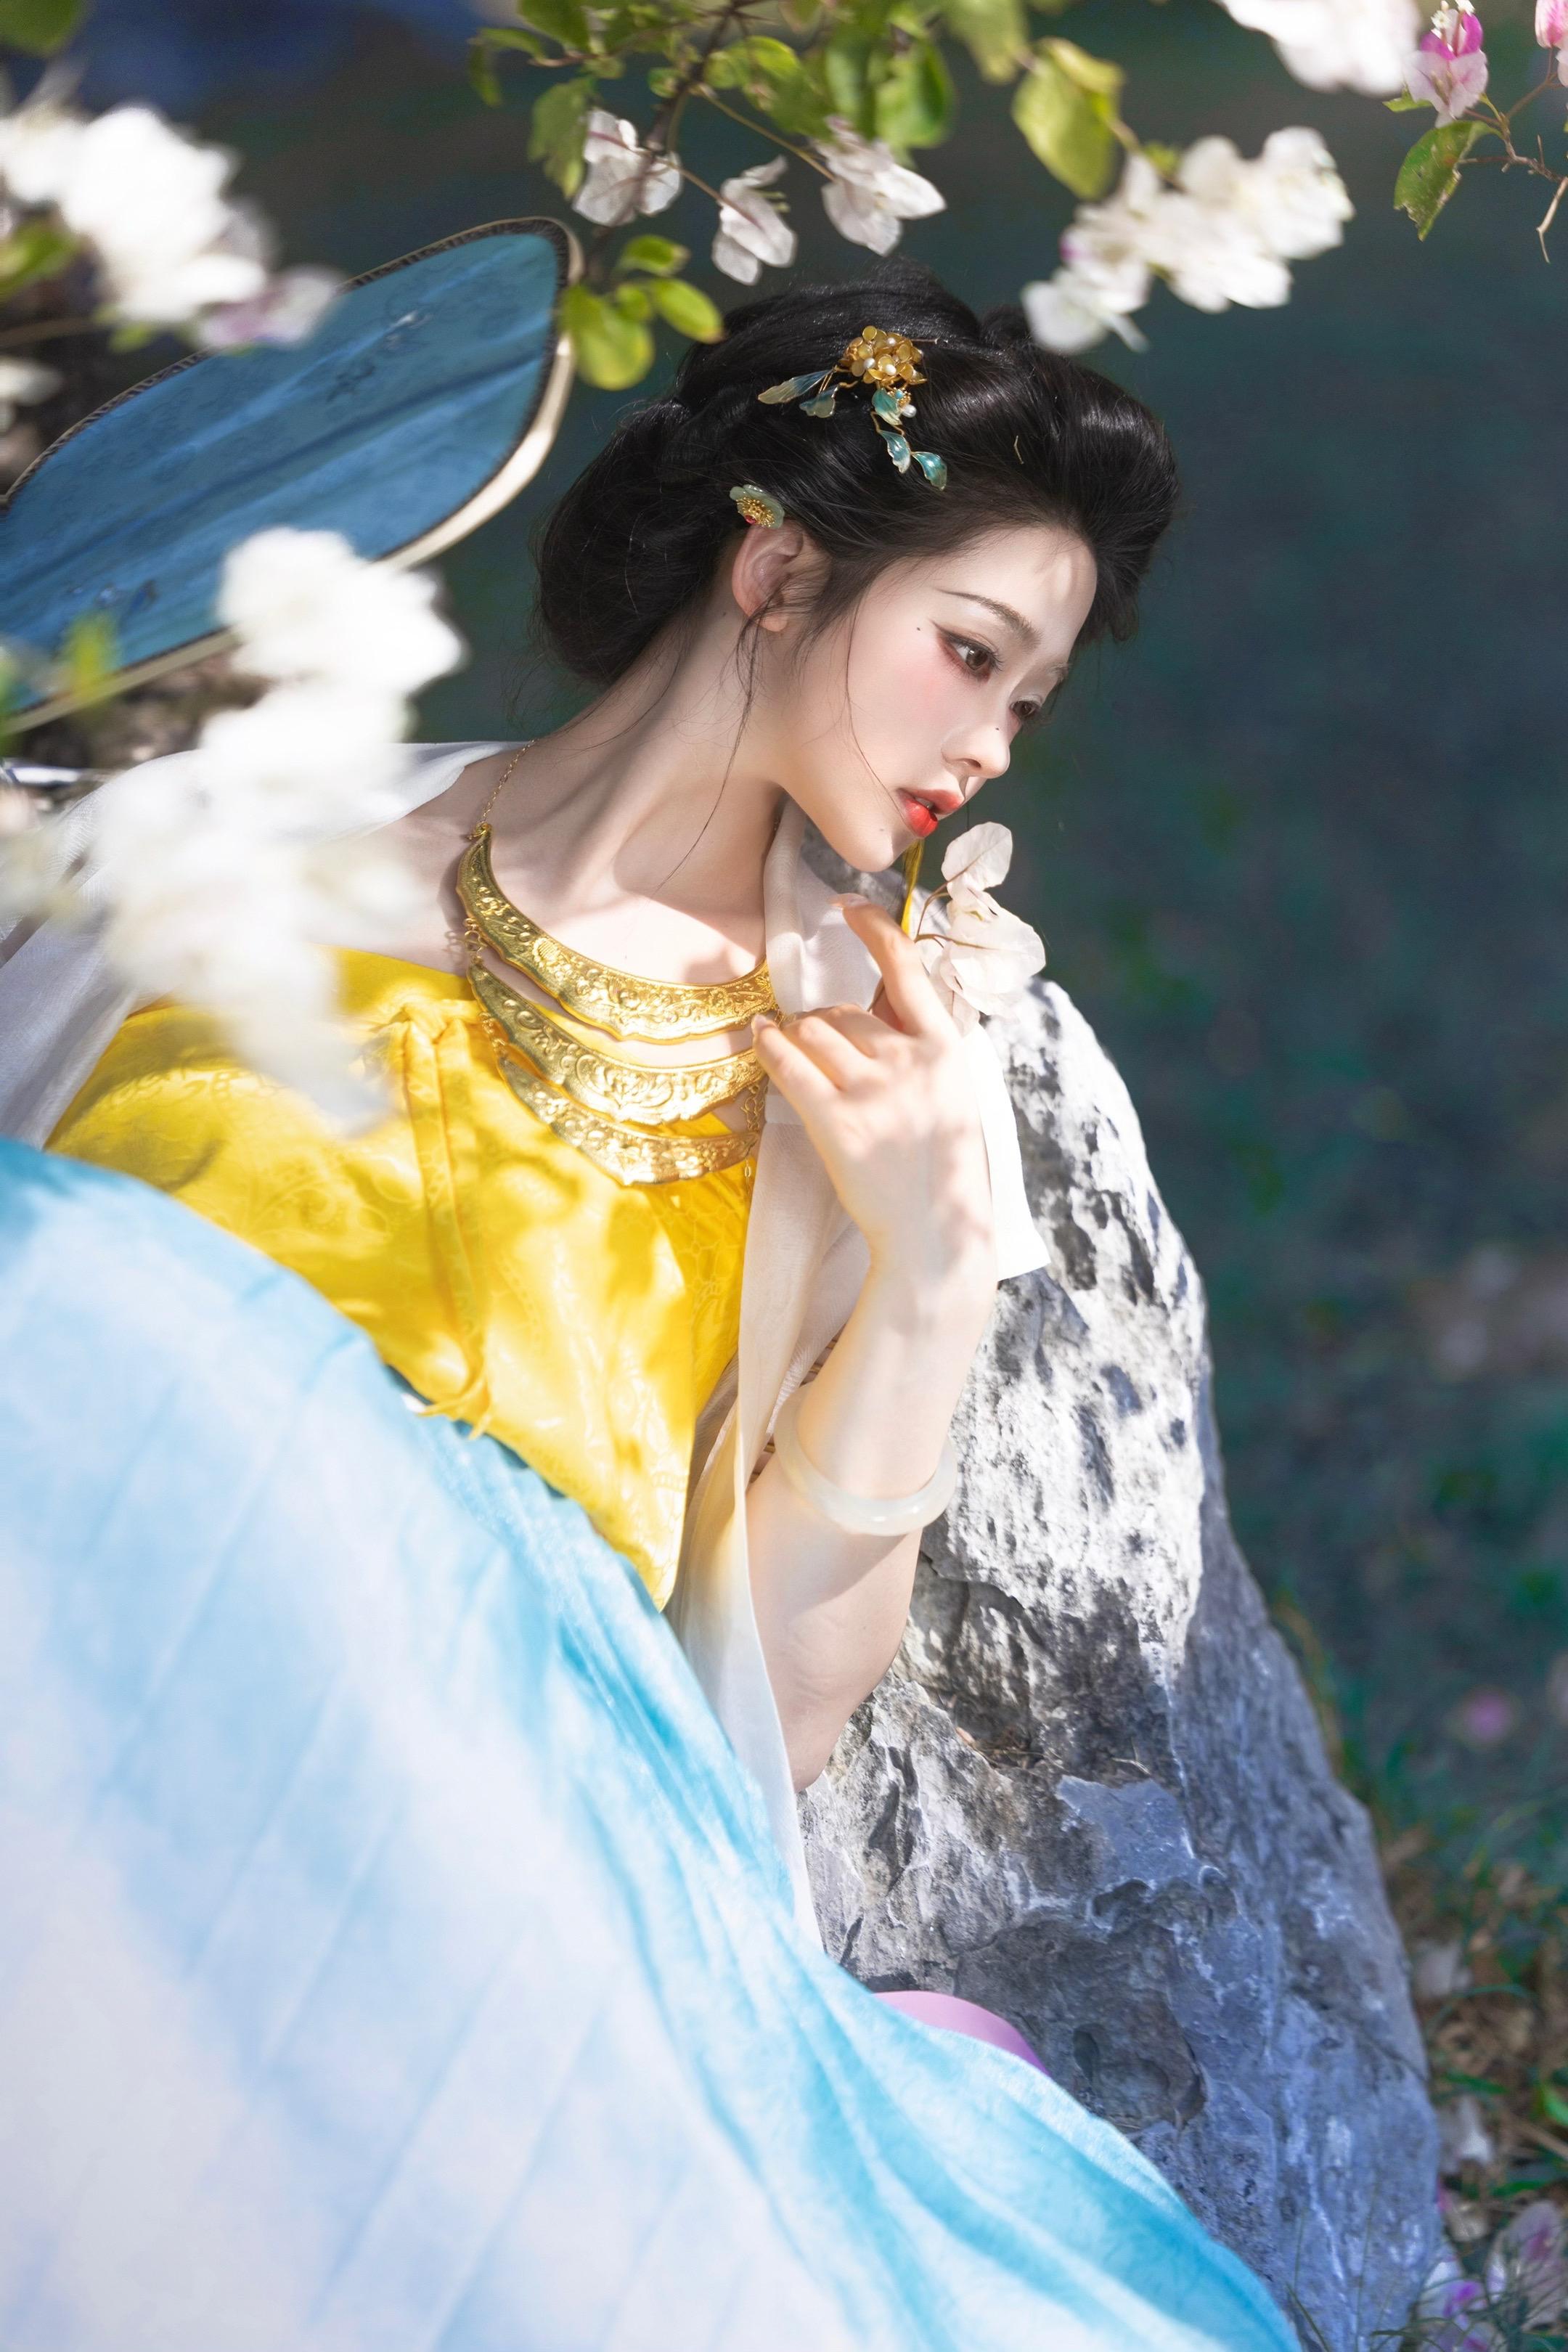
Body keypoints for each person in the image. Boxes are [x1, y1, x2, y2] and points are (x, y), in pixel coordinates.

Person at [0, 265, 1295, 2351]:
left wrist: (929, 1278)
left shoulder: (859, 1057)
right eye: (969, 653)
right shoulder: (241, 853)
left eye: (1027, 703)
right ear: (776, 571)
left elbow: (777, 1707)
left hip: (468, 1786)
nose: (985, 746)